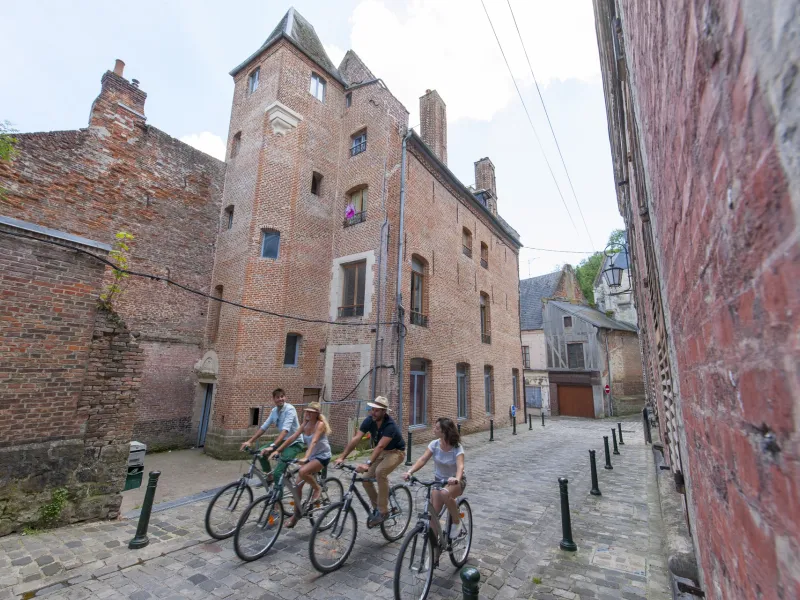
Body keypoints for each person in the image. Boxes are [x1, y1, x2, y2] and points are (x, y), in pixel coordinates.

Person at [335, 396, 405, 527]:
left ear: (384, 412)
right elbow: (356, 438)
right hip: (381, 453)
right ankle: (377, 509)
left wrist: (367, 463)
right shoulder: (369, 420)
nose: (373, 412)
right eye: (372, 409)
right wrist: (342, 457)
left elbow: (380, 446)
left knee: (380, 472)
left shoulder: (390, 426)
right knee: (366, 479)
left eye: (377, 410)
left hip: (396, 452)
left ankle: (383, 511)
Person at [270, 401, 332, 528]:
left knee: (303, 472)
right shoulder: (305, 424)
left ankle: (317, 488)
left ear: (317, 414)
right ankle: (296, 514)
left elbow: (314, 441)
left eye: (311, 412)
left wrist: (305, 457)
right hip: (312, 457)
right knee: (297, 485)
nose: (308, 414)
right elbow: (292, 438)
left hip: (322, 456)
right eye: (307, 411)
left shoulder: (319, 425)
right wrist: (278, 450)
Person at [403, 417, 466, 541]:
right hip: (439, 481)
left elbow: (460, 466)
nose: (434, 430)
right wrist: (410, 472)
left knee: (445, 493)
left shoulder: (457, 447)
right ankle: (434, 554)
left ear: (445, 431)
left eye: (437, 428)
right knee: (433, 516)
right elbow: (423, 459)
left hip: (457, 481)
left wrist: (456, 479)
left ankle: (456, 520)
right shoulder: (434, 444)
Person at [240, 388, 304, 485]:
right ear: (274, 399)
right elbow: (264, 427)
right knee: (262, 452)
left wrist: (273, 446)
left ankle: (277, 497)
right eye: (277, 397)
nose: (280, 399)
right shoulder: (274, 411)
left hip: (295, 443)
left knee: (278, 472)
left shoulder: (290, 409)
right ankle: (269, 478)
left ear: (285, 397)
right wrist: (250, 441)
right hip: (283, 441)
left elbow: (285, 430)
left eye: (282, 396)